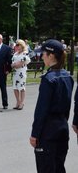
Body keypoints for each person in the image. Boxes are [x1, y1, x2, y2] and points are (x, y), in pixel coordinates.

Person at [30, 39, 74, 173]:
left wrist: (35, 134)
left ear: (51, 55)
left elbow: (41, 110)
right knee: (59, 167)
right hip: (62, 128)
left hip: (48, 131)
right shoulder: (68, 76)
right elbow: (67, 107)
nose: (41, 56)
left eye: (43, 54)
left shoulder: (48, 79)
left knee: (46, 168)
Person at [11, 39, 31, 110]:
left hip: (21, 72)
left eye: (18, 45)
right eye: (16, 45)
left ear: (22, 45)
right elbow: (12, 63)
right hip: (15, 73)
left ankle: (22, 103)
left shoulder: (25, 53)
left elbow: (22, 63)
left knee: (22, 88)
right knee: (15, 87)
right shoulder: (15, 53)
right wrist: (14, 65)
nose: (16, 46)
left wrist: (16, 64)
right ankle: (18, 102)